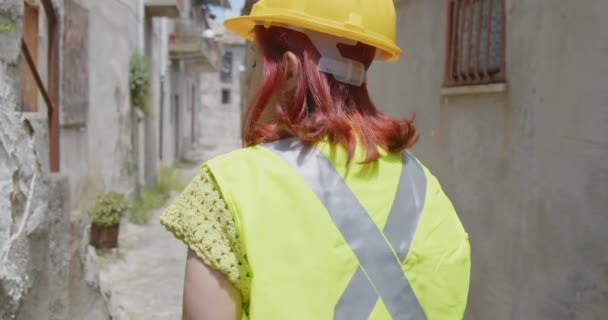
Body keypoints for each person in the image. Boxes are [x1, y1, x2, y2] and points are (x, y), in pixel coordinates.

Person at [160, 0, 471, 319]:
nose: (248, 79)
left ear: (291, 71)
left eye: (255, 64)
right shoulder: (428, 191)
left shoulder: (226, 190)